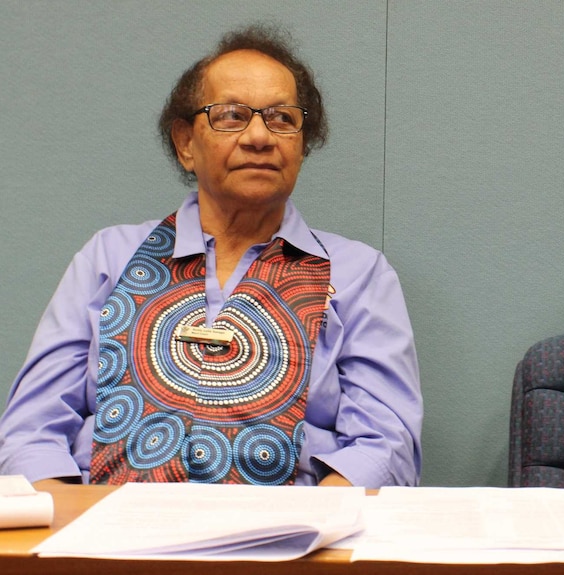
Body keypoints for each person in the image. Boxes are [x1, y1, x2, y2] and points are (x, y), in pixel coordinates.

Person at [0, 24, 422, 488]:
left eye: (282, 118)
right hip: (102, 540)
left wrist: (308, 540)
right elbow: (29, 435)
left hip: (290, 545)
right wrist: (76, 548)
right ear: (186, 144)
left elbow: (386, 447)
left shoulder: (360, 275)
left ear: (302, 143)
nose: (260, 136)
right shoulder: (109, 257)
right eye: (231, 116)